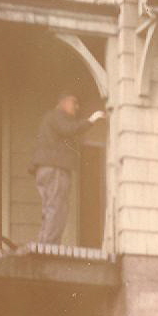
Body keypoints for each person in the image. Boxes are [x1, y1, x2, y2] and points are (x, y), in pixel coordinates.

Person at [30, 93, 104, 245]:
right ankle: (49, 245)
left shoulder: (50, 118)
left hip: (45, 169)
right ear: (62, 102)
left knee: (50, 207)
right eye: (74, 102)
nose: (77, 107)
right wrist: (91, 120)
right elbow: (68, 129)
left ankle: (45, 242)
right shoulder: (58, 115)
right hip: (55, 168)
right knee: (57, 208)